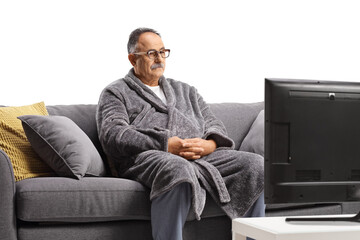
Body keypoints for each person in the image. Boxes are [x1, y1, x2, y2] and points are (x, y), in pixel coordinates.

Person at [96, 27, 264, 240]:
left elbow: (214, 123)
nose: (159, 58)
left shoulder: (186, 91)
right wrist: (165, 145)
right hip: (147, 158)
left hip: (202, 156)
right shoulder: (116, 93)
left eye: (162, 52)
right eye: (151, 53)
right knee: (177, 168)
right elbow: (113, 135)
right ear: (132, 59)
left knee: (255, 165)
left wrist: (210, 144)